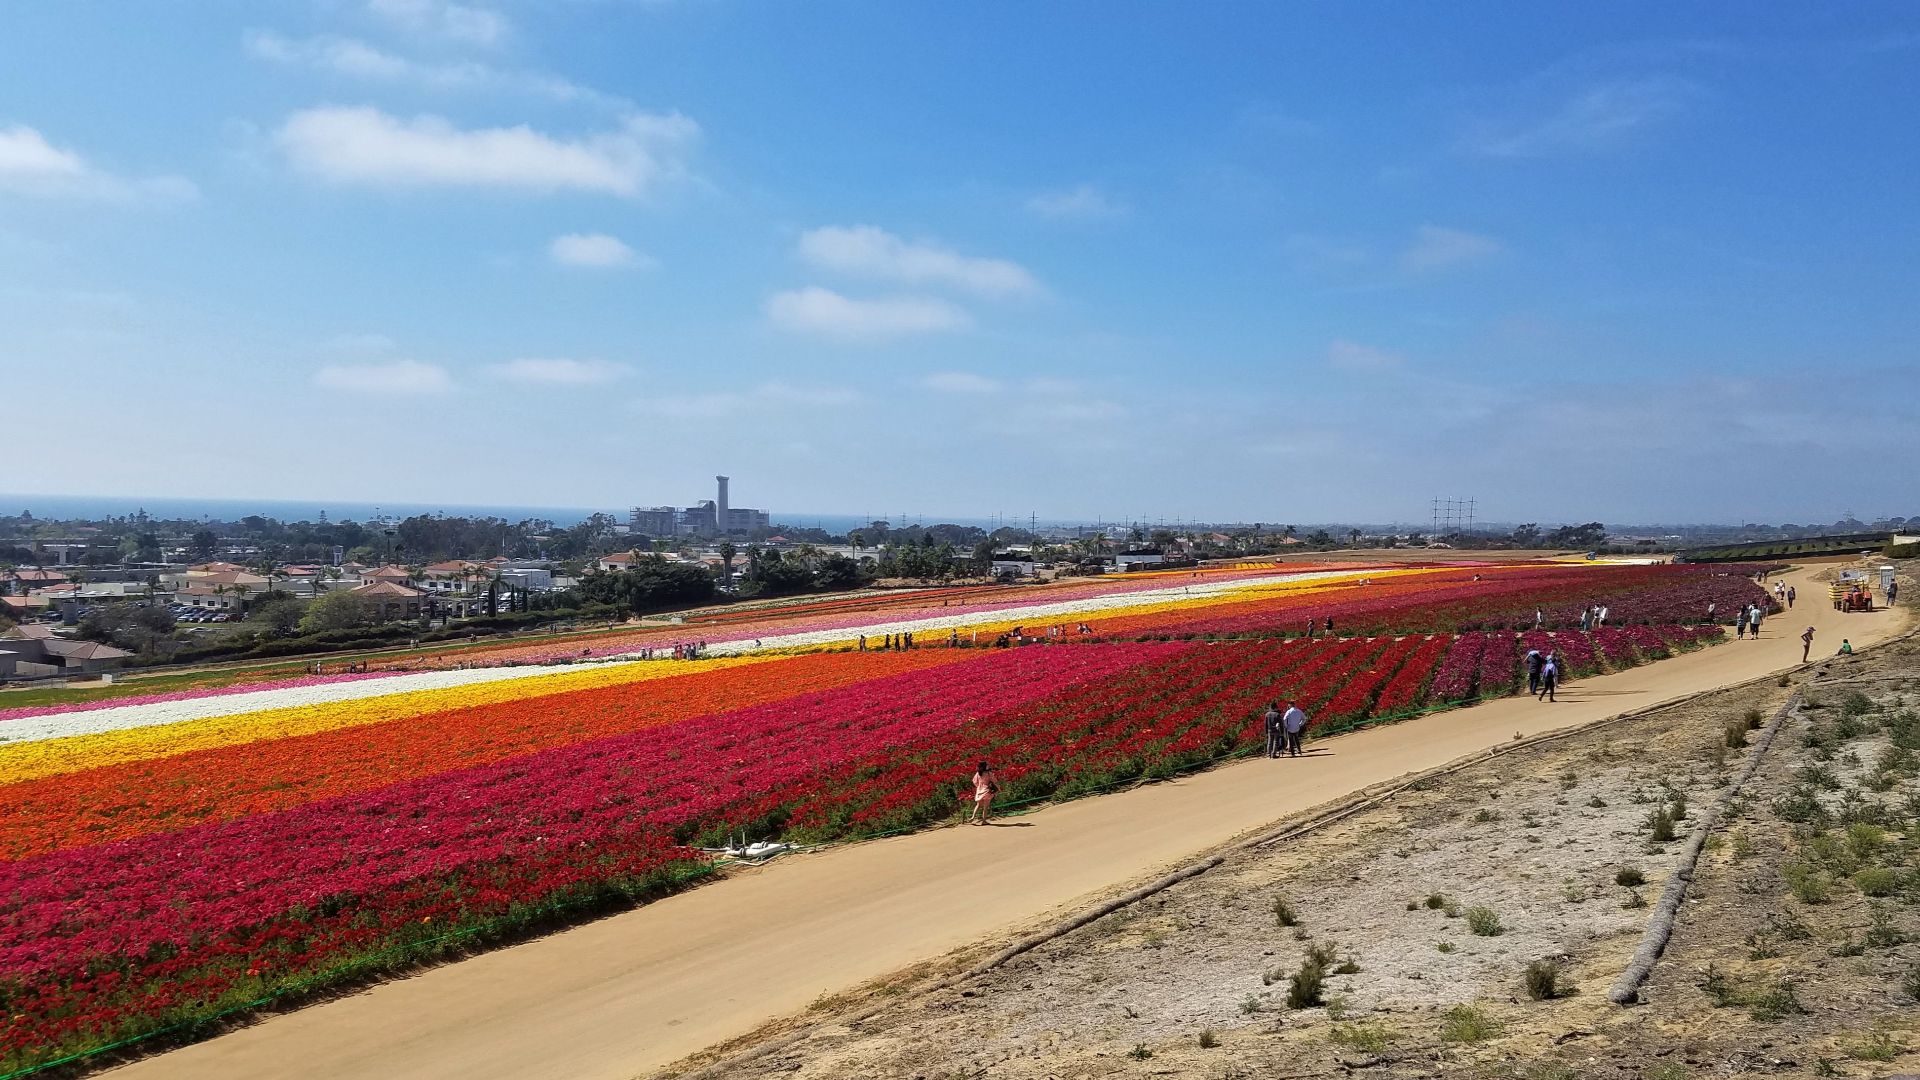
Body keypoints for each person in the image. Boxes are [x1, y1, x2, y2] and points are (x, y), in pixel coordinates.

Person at [969, 761, 999, 825]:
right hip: (987, 791)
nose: (988, 765)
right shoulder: (989, 773)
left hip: (980, 791)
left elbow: (974, 781)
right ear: (985, 766)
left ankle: (972, 817)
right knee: (985, 807)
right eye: (987, 765)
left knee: (978, 805)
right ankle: (984, 821)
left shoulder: (978, 773)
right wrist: (998, 788)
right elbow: (994, 781)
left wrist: (979, 786)